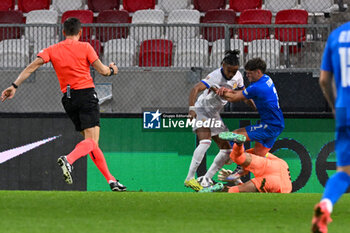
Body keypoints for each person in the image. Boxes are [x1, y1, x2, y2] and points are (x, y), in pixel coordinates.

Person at [1, 17, 126, 192]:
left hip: (68, 99)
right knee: (92, 141)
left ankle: (111, 180)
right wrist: (113, 69)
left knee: (90, 143)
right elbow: (103, 71)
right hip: (86, 95)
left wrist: (14, 86)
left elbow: (31, 66)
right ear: (81, 32)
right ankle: (69, 159)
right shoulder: (86, 47)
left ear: (64, 32)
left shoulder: (53, 49)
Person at [184, 50, 256, 191]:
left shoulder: (238, 77)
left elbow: (244, 95)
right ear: (223, 65)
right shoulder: (215, 76)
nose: (231, 74)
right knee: (205, 141)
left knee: (227, 149)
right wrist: (191, 108)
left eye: (234, 71)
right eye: (229, 71)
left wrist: (255, 106)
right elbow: (195, 89)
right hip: (201, 109)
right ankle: (189, 178)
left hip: (214, 114)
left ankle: (206, 178)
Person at [213, 58, 285, 181]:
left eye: (249, 73)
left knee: (235, 134)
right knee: (256, 157)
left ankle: (232, 157)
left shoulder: (257, 87)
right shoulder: (266, 79)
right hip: (278, 124)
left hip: (269, 125)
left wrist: (217, 89)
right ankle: (241, 173)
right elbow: (241, 92)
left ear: (258, 72)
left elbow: (233, 98)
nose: (247, 75)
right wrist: (230, 91)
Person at [311, 21, 350, 233]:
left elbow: (324, 80)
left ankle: (325, 206)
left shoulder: (336, 36)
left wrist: (335, 106)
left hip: (344, 109)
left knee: (344, 173)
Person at [199, 133, 292, 193]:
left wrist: (235, 179)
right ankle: (219, 189)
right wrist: (235, 177)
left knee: (238, 157)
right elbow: (247, 191)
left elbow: (248, 156)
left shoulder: (271, 160)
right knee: (234, 191)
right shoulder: (285, 184)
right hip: (282, 184)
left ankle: (239, 143)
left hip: (274, 168)